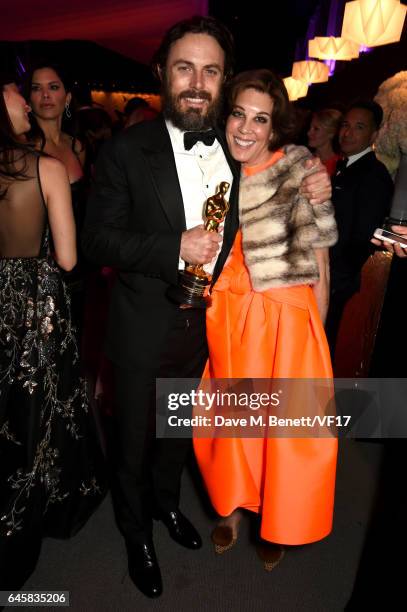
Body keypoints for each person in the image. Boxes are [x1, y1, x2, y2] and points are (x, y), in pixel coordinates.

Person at [82, 16, 332, 599]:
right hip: (144, 325)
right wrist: (173, 247)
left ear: (222, 82)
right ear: (163, 74)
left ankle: (168, 509)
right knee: (135, 441)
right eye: (185, 68)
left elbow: (276, 167)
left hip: (214, 329)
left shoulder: (232, 141)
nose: (197, 82)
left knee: (182, 434)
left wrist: (312, 179)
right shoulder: (125, 149)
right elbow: (96, 240)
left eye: (211, 70)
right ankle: (135, 533)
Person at [193, 68, 338, 570]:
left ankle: (274, 516)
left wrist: (317, 326)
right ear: (224, 116)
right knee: (234, 422)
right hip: (229, 316)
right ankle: (233, 507)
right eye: (239, 114)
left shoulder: (299, 166)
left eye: (261, 118)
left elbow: (320, 257)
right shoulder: (210, 168)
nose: (247, 128)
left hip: (285, 319)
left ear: (275, 126)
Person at [0, 73, 105, 590]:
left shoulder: (70, 147)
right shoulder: (42, 166)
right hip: (34, 304)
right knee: (36, 405)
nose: (27, 100)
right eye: (19, 95)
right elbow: (67, 257)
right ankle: (29, 511)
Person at [325, 101, 393, 356]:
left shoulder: (373, 175)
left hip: (336, 282)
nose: (348, 133)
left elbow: (362, 238)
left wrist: (332, 280)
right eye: (345, 125)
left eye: (359, 127)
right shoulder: (347, 168)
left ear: (374, 134)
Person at [27, 63, 88, 334]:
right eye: (37, 89)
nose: (46, 96)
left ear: (68, 97)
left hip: (82, 265)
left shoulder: (77, 146)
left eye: (53, 87)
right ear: (28, 99)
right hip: (42, 271)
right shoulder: (24, 150)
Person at [307, 108, 343, 176]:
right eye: (310, 128)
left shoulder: (339, 165)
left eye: (316, 129)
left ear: (331, 133)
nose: (308, 133)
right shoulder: (304, 159)